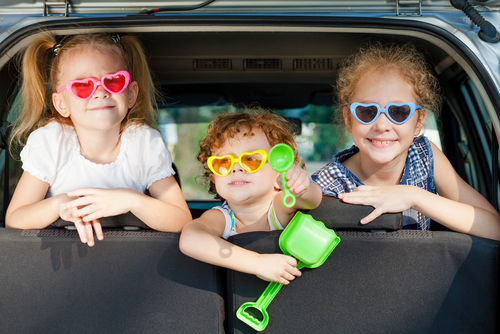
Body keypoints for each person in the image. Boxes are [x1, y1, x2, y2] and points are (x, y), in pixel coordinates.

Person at [5, 33, 192, 246]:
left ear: (131, 94)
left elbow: (182, 219)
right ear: (61, 104)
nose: (100, 91)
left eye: (113, 81)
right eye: (83, 86)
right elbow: (15, 219)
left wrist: (131, 200)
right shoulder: (51, 142)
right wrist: (58, 205)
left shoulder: (143, 143)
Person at [311, 42, 500, 240]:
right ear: (348, 119)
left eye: (399, 112)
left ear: (418, 122)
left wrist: (414, 196)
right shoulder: (326, 186)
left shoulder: (424, 156)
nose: (382, 126)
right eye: (367, 112)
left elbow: (494, 227)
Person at [179, 109, 322, 284]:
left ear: (280, 173)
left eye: (251, 160)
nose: (236, 168)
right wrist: (257, 263)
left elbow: (313, 200)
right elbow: (190, 239)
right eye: (223, 162)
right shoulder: (223, 217)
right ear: (214, 178)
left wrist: (300, 186)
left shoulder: (279, 206)